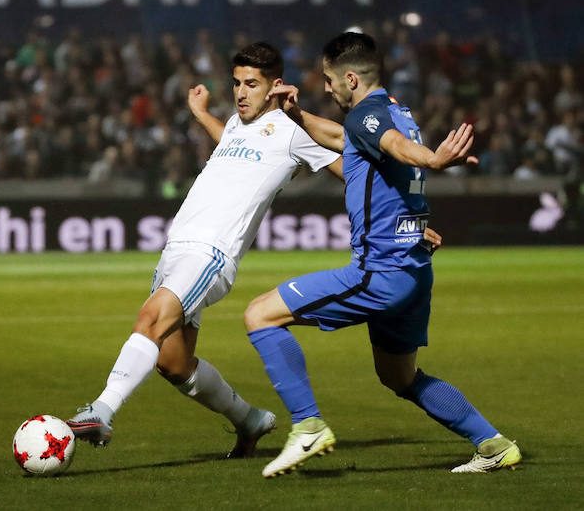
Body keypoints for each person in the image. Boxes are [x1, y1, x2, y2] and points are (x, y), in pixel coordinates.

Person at [67, 42, 443, 457]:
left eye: (252, 84)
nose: (241, 92)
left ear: (275, 86)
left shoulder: (294, 131)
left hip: (211, 252)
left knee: (150, 319)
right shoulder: (233, 124)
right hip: (176, 247)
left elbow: (352, 172)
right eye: (236, 83)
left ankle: (101, 410)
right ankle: (250, 420)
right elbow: (233, 146)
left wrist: (398, 222)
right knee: (171, 363)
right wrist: (202, 116)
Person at [245, 32, 520, 477]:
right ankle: (492, 443)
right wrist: (295, 114)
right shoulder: (395, 110)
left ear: (350, 78)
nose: (327, 88)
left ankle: (308, 426)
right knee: (399, 377)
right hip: (413, 271)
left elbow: (394, 146)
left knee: (260, 314)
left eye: (330, 80)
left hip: (381, 274)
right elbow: (344, 137)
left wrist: (431, 160)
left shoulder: (373, 119)